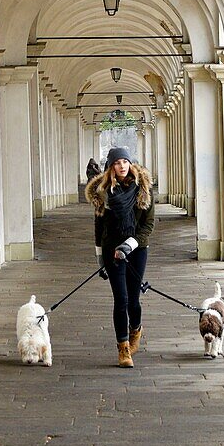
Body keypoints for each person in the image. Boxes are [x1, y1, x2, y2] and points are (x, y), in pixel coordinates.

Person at [85, 146, 154, 367]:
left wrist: (130, 244)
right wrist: (99, 256)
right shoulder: (103, 193)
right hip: (111, 251)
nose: (122, 166)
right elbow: (99, 226)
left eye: (125, 161)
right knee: (121, 299)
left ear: (130, 164)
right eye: (117, 163)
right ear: (111, 167)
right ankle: (123, 348)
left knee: (134, 299)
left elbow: (148, 225)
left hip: (137, 250)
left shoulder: (142, 190)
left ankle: (136, 329)